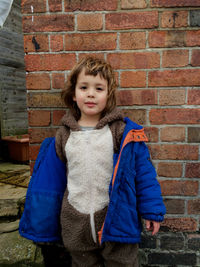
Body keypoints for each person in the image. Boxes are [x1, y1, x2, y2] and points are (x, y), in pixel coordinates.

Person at [54, 56, 166, 267]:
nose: (90, 94)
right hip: (76, 222)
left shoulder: (121, 132)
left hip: (116, 218)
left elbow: (143, 173)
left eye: (99, 89)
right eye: (84, 87)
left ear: (108, 95)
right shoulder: (64, 134)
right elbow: (55, 178)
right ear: (74, 94)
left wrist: (152, 211)